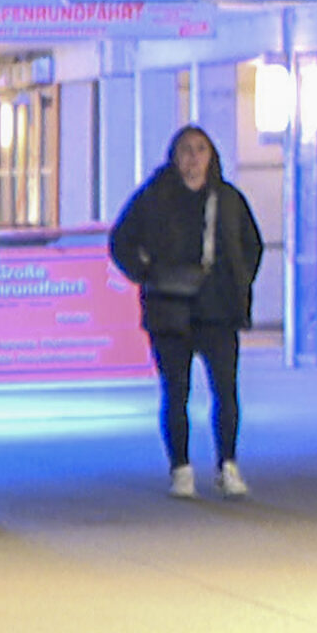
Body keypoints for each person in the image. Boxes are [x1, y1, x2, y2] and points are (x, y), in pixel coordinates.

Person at [109, 125, 265, 499]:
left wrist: (238, 282)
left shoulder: (227, 199)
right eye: (185, 151)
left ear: (211, 157)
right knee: (176, 391)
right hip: (170, 308)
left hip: (218, 309)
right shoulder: (154, 196)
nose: (193, 158)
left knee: (225, 392)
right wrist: (146, 273)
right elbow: (121, 240)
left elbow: (252, 245)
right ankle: (180, 468)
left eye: (200, 150)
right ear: (174, 156)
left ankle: (228, 464)